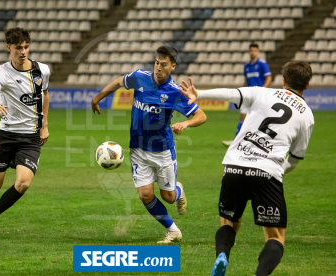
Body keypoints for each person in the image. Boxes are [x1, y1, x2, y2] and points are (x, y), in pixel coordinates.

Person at [178, 60, 314, 276]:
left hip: (234, 165)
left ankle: (222, 256)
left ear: (283, 80)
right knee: (275, 237)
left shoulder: (262, 93)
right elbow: (296, 158)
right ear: (307, 85)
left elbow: (231, 94)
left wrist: (199, 94)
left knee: (229, 223)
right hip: (267, 172)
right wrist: (278, 172)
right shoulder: (307, 115)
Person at [91, 46, 207, 243]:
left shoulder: (174, 93)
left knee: (168, 197)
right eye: (156, 62)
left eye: (163, 64)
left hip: (162, 151)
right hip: (137, 148)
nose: (158, 67)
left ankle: (177, 190)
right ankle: (173, 230)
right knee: (145, 195)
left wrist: (185, 123)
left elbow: (201, 115)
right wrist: (97, 98)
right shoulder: (140, 77)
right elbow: (120, 82)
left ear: (172, 67)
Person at [0, 27, 51, 243]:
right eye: (18, 48)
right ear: (9, 48)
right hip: (6, 136)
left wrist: (44, 125)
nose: (23, 52)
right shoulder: (2, 73)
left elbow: (45, 95)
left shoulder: (41, 70)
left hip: (31, 138)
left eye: (26, 47)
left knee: (23, 183)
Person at [223, 42, 272, 146]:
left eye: (255, 51)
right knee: (243, 119)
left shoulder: (262, 64)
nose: (253, 53)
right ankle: (236, 141)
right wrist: (241, 91)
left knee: (260, 119)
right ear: (249, 52)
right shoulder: (246, 66)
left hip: (259, 96)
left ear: (258, 52)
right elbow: (246, 80)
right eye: (251, 51)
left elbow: (268, 77)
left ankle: (264, 141)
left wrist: (263, 89)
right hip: (247, 96)